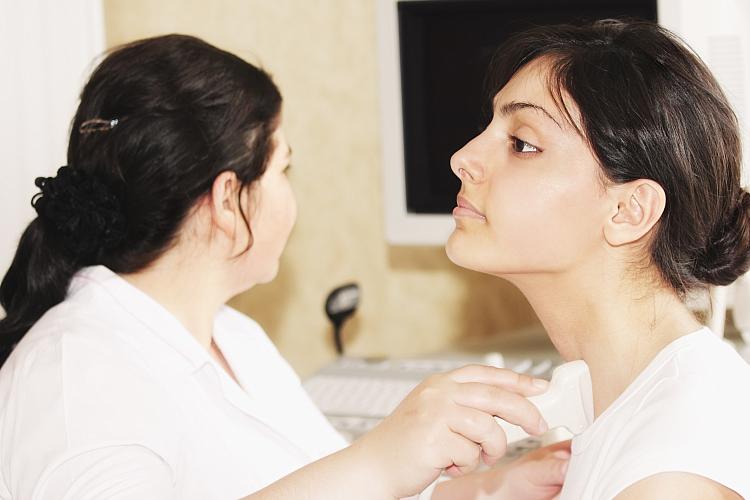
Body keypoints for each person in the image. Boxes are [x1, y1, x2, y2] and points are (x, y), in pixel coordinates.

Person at [0, 34, 570, 500]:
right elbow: (355, 481)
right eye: (283, 170)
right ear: (229, 200)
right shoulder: (75, 378)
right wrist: (377, 462)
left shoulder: (233, 338)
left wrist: (489, 491)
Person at [446, 19, 750, 500]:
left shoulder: (670, 477)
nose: (462, 157)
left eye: (522, 144)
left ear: (629, 211)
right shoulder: (633, 397)